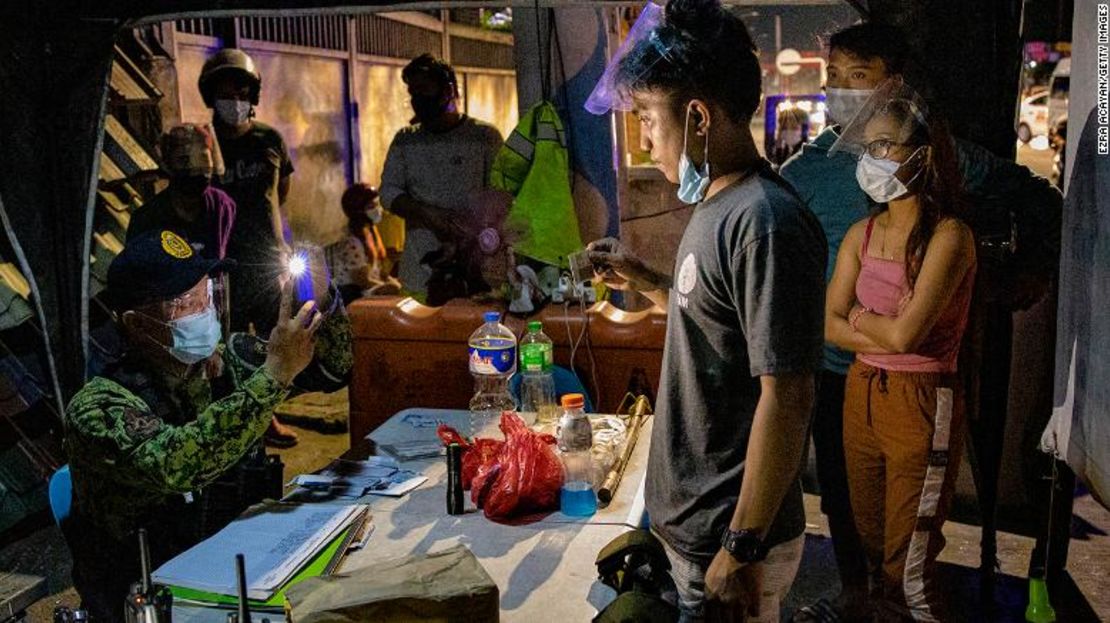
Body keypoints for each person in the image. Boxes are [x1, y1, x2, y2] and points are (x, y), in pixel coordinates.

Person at [779, 23, 1063, 622]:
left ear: (896, 84)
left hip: (916, 380)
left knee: (911, 534)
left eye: (859, 79)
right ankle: (859, 603)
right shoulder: (813, 163)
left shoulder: (940, 158)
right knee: (846, 506)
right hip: (840, 374)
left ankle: (896, 606)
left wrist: (1020, 278)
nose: (842, 95)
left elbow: (1036, 200)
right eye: (835, 81)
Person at [586, 1, 826, 620]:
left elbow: (788, 394)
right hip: (695, 530)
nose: (642, 138)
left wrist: (742, 545)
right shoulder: (718, 203)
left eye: (646, 118)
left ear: (696, 117)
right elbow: (718, 324)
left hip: (728, 538)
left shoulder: (763, 221)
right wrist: (645, 281)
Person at [63, 229, 321, 623]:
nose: (204, 310)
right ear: (136, 323)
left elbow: (331, 373)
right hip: (147, 598)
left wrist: (324, 301)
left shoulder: (222, 364)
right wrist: (274, 375)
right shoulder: (98, 407)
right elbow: (180, 463)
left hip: (230, 574)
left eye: (207, 293)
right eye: (184, 302)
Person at [824, 82, 976, 622]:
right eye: (869, 147)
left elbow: (906, 339)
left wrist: (861, 320)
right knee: (870, 547)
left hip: (920, 399)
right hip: (862, 391)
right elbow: (829, 324)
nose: (873, 159)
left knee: (908, 565)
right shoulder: (861, 234)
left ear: (924, 154)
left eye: (886, 145)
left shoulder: (950, 237)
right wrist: (879, 328)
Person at [199, 47, 299, 445]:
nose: (234, 100)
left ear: (253, 95)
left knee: (273, 341)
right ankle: (246, 422)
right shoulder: (204, 145)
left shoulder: (269, 140)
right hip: (223, 263)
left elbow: (281, 193)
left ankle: (268, 414)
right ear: (210, 96)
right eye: (224, 92)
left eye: (241, 91)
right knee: (230, 345)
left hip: (267, 259)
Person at [380, 53, 503, 300]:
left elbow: (501, 195)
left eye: (424, 91)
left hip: (477, 274)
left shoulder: (483, 138)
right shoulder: (406, 140)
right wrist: (429, 215)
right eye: (413, 94)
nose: (417, 100)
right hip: (420, 276)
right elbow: (388, 193)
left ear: (448, 91)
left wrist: (466, 227)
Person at [324, 183, 399, 304]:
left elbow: (378, 272)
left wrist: (392, 282)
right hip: (350, 295)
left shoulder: (370, 233)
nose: (378, 209)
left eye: (377, 204)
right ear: (359, 211)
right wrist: (389, 287)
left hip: (363, 291)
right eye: (371, 206)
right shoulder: (351, 241)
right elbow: (362, 280)